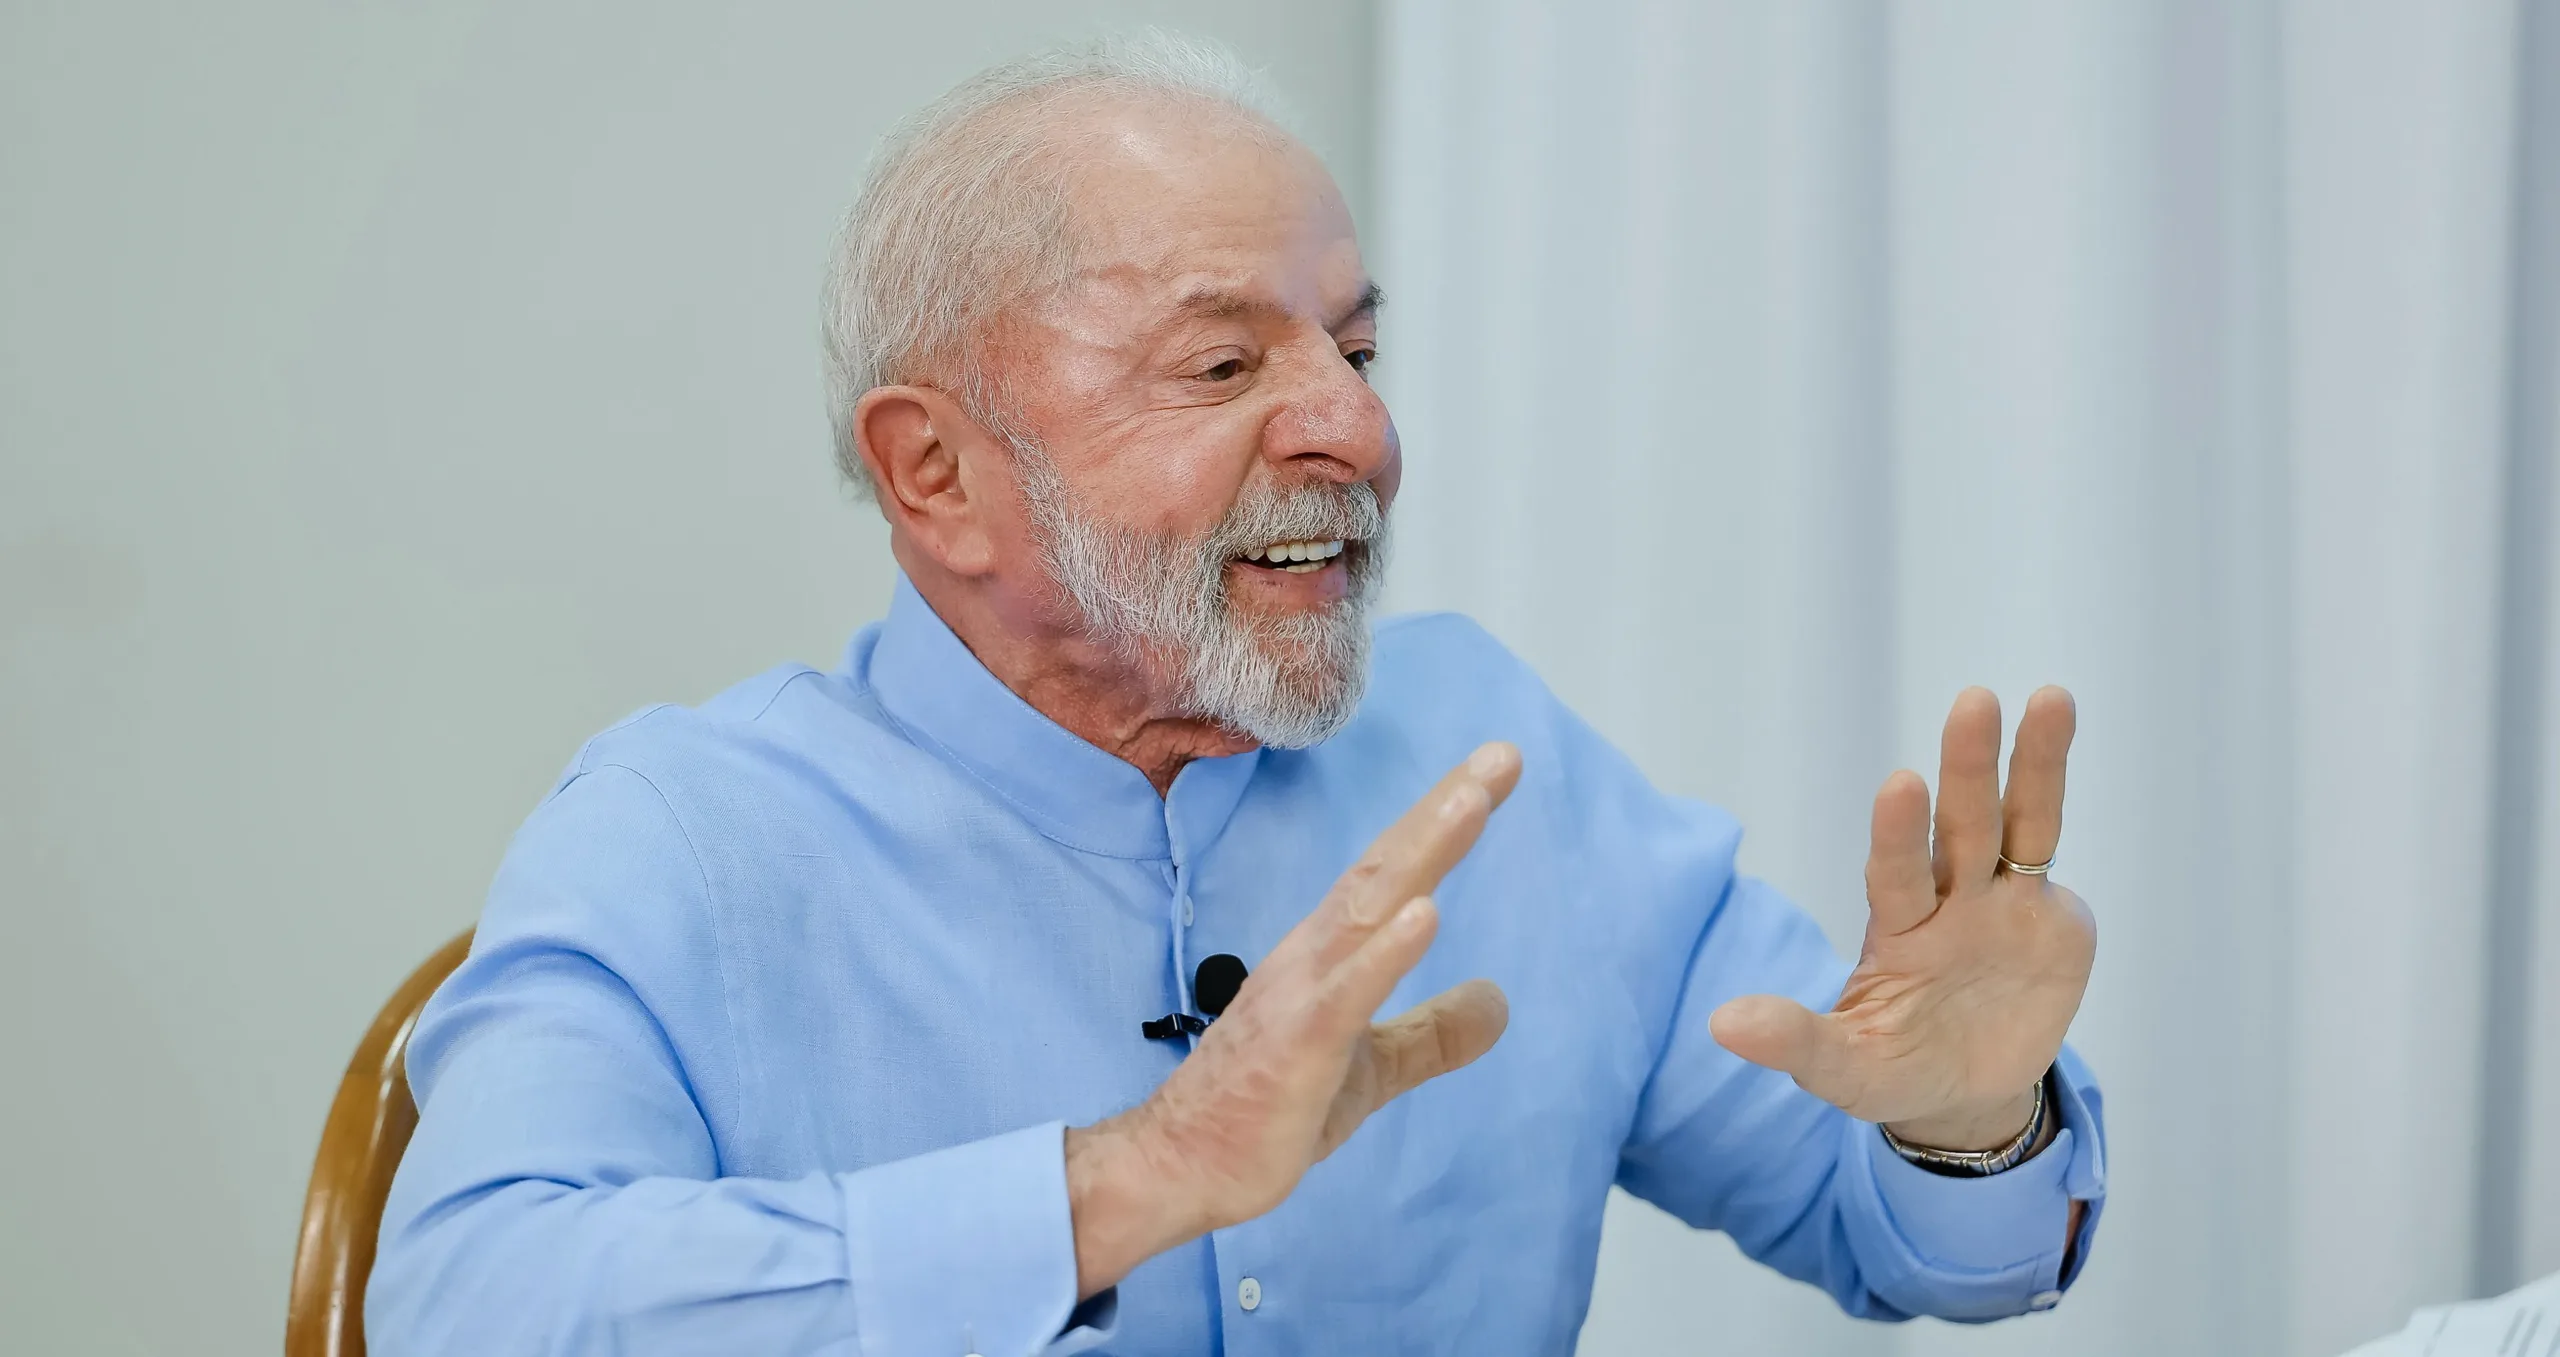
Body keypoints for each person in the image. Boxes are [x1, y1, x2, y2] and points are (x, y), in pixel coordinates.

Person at [369, 31, 2105, 1357]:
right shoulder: (689, 836)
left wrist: (1969, 1127)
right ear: (937, 474)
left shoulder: (1493, 763)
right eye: (1221, 363)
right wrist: (1129, 1180)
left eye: (1355, 348)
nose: (1357, 430)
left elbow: (1911, 1239)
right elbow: (466, 1307)